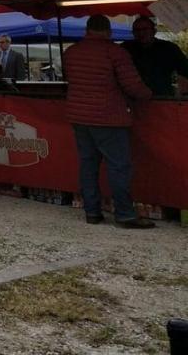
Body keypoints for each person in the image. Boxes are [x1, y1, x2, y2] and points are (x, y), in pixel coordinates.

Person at [64, 14, 154, 228]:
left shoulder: (71, 52)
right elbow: (132, 86)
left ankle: (92, 212)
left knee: (88, 165)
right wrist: (149, 94)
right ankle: (124, 214)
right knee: (118, 166)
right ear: (108, 31)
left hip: (79, 117)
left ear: (87, 30)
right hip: (108, 117)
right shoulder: (116, 52)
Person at [123, 16, 188, 96]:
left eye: (145, 29)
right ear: (133, 32)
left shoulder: (169, 48)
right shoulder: (125, 48)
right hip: (132, 98)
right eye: (137, 30)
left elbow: (185, 70)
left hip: (162, 96)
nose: (141, 33)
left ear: (154, 31)